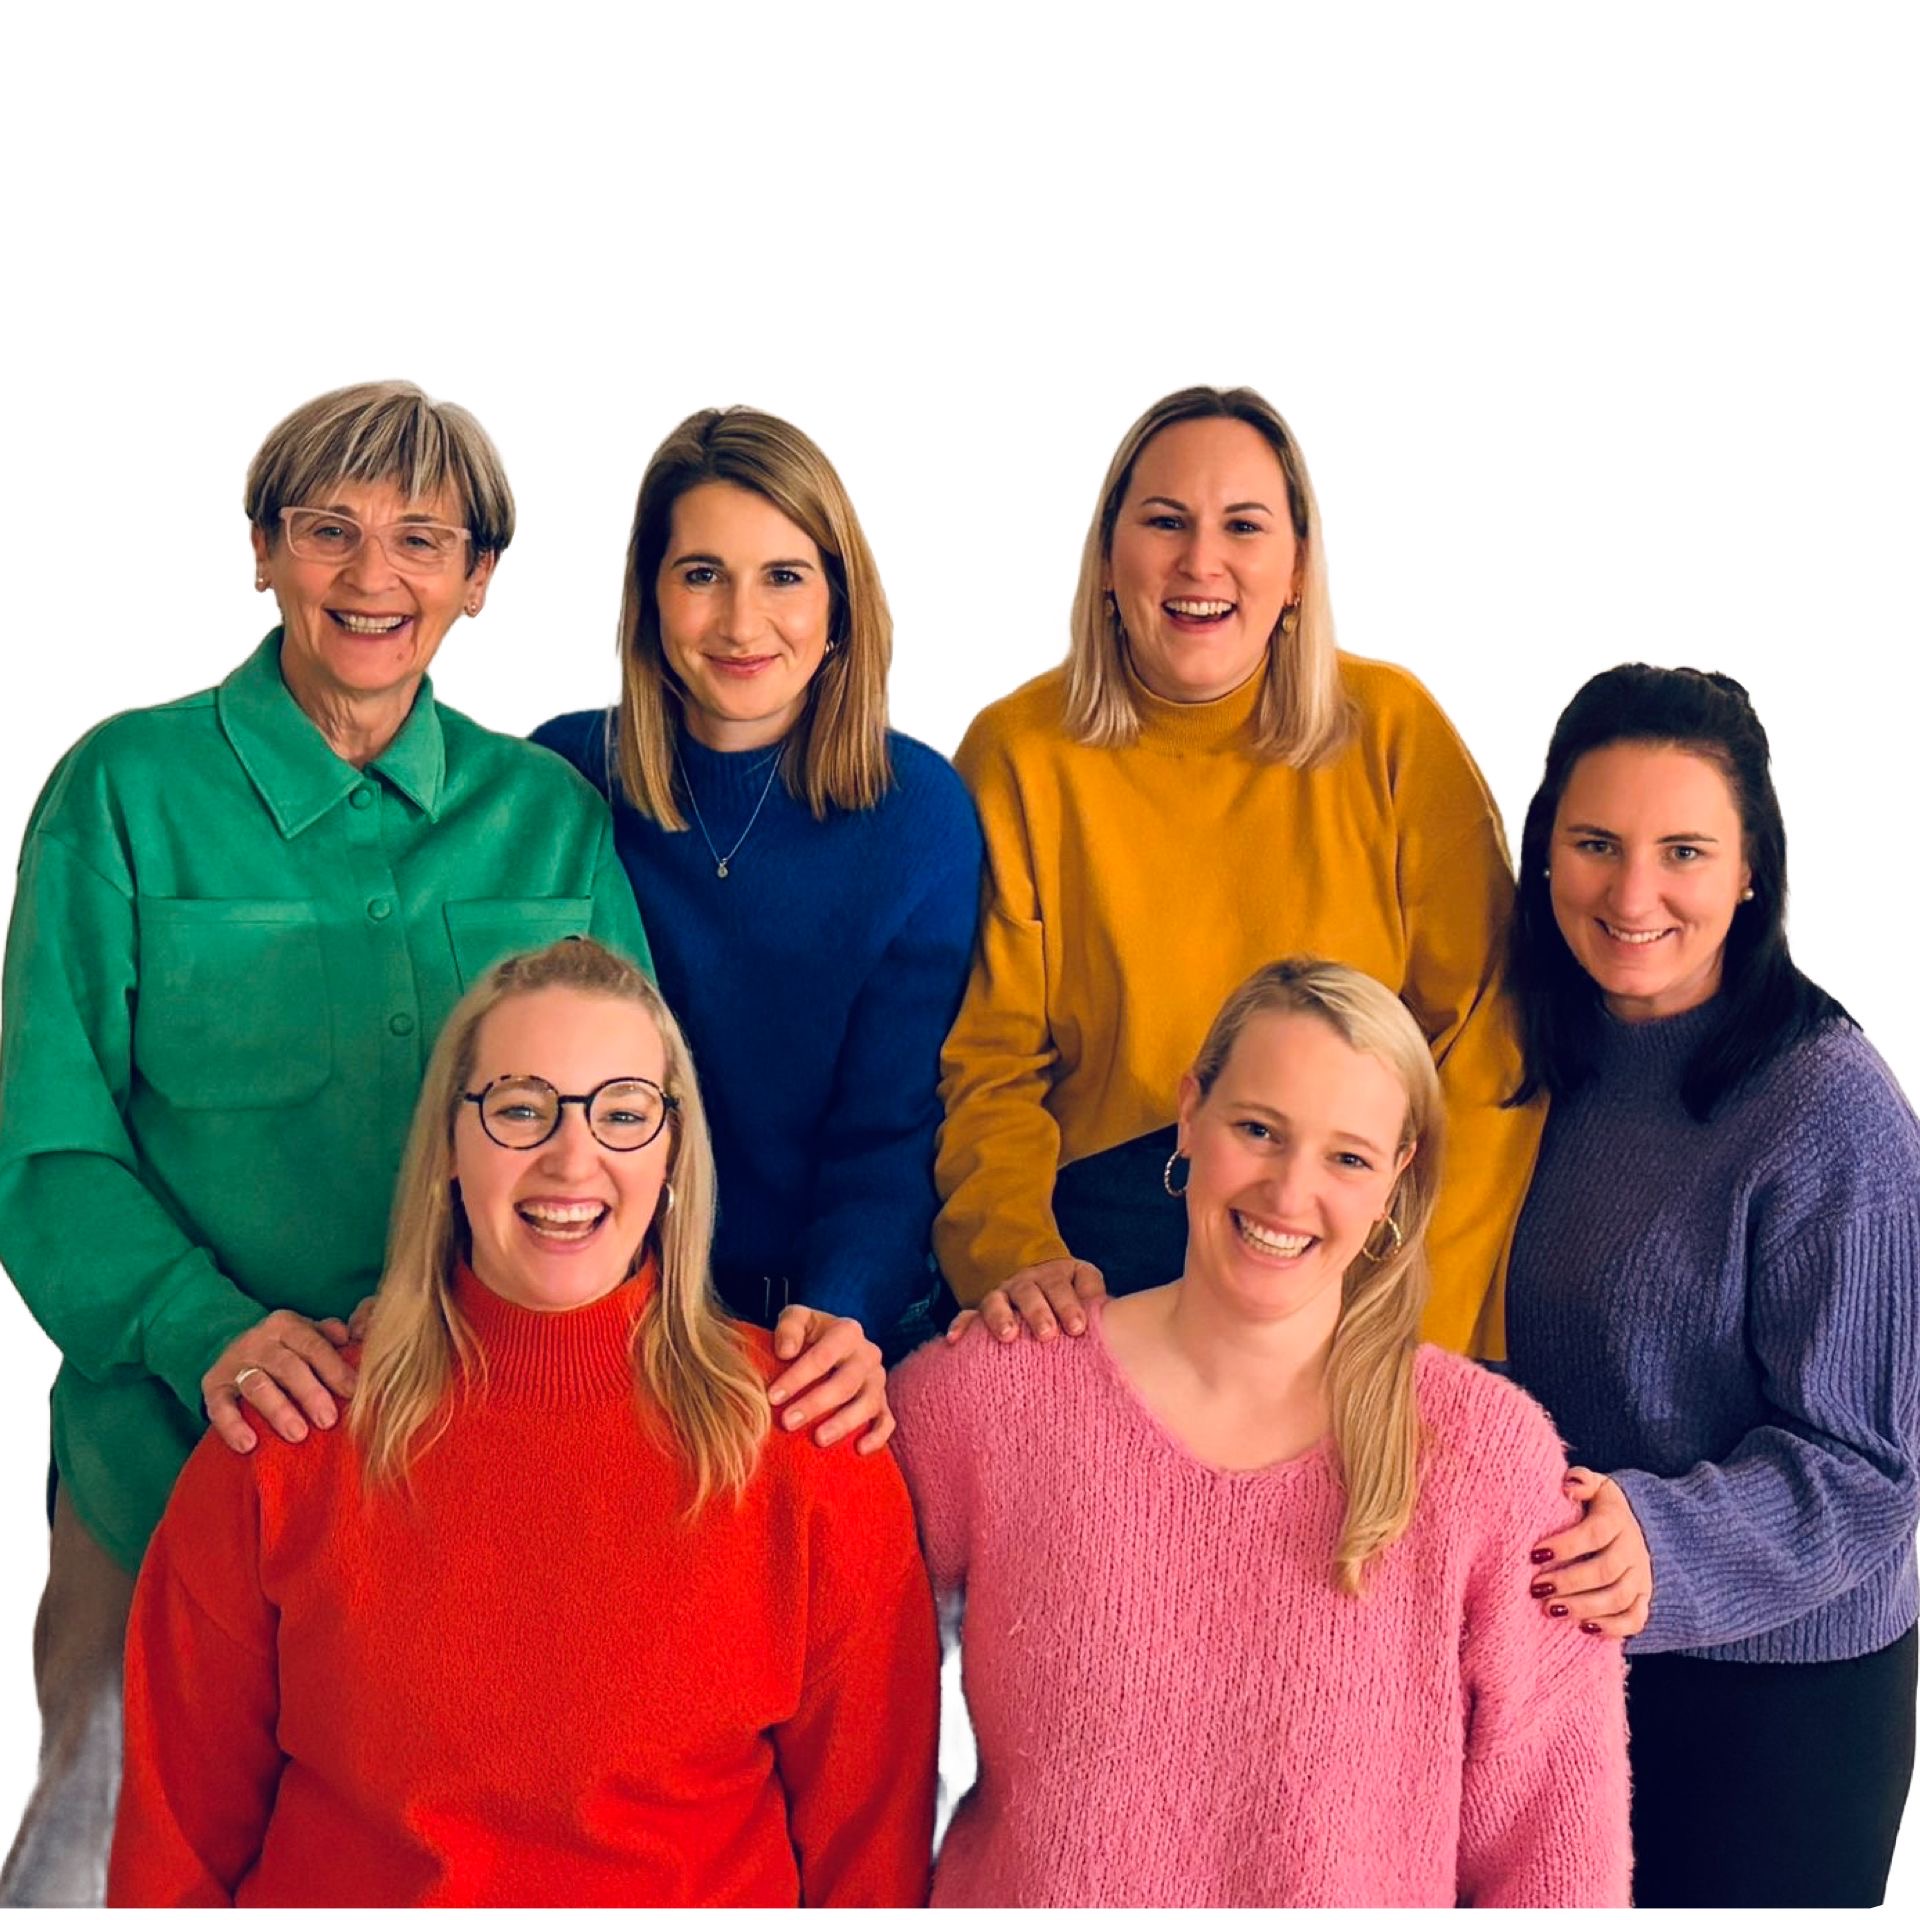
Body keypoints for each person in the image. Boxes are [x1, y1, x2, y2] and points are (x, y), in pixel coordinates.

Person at [0, 382, 876, 1907]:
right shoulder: (123, 794)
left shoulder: (543, 814)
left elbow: (625, 1117)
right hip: (175, 1454)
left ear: (479, 580)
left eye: (422, 539)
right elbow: (48, 1148)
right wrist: (213, 1337)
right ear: (263, 552)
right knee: (106, 1851)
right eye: (328, 531)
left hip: (477, 1494)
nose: (374, 576)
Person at [106, 937, 937, 1906]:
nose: (572, 1157)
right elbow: (173, 1854)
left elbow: (869, 1863)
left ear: (673, 1152)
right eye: (519, 1108)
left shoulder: (809, 1444)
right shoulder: (288, 1439)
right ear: (448, 1151)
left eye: (622, 1112)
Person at [892, 957, 1628, 1906]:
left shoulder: (1484, 1456)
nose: (1287, 1193)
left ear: (1397, 1178)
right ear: (1190, 1114)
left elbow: (1556, 1857)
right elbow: (840, 1727)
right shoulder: (991, 1398)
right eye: (1258, 1130)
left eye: (1347, 1158)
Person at [932, 384, 1535, 1356]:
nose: (1200, 562)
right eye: (1164, 521)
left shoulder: (1393, 732)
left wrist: (1417, 1330)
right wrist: (1018, 1260)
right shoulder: (1018, 755)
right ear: (1107, 560)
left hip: (1350, 1242)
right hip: (1105, 1246)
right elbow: (986, 1065)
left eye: (1243, 526)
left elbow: (1487, 1041)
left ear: (1296, 568)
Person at [1501, 664, 1920, 1907]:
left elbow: (1875, 1468)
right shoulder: (1522, 1057)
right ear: (1545, 852)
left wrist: (1662, 1540)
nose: (1633, 895)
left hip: (1773, 1705)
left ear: (1750, 872)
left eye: (1683, 851)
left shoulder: (1828, 1109)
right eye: (1595, 844)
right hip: (1560, 1652)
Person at [535, 407, 981, 1368]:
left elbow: (891, 1129)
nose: (742, 623)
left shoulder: (918, 814)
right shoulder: (565, 779)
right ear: (650, 598)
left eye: (784, 576)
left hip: (832, 1313)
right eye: (702, 575)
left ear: (839, 603)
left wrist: (839, 1309)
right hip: (599, 1305)